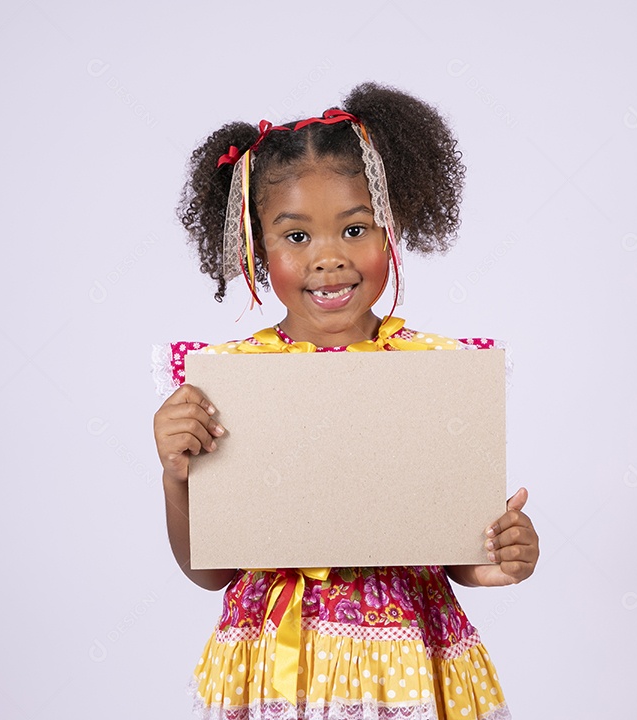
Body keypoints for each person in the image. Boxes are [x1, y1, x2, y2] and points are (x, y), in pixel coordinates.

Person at [152, 82, 539, 720]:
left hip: (407, 658)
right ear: (255, 249)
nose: (329, 258)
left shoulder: (434, 372)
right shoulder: (228, 382)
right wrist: (175, 477)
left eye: (354, 228)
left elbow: (453, 545)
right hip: (277, 664)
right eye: (296, 237)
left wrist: (499, 556)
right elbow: (209, 572)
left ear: (393, 230)